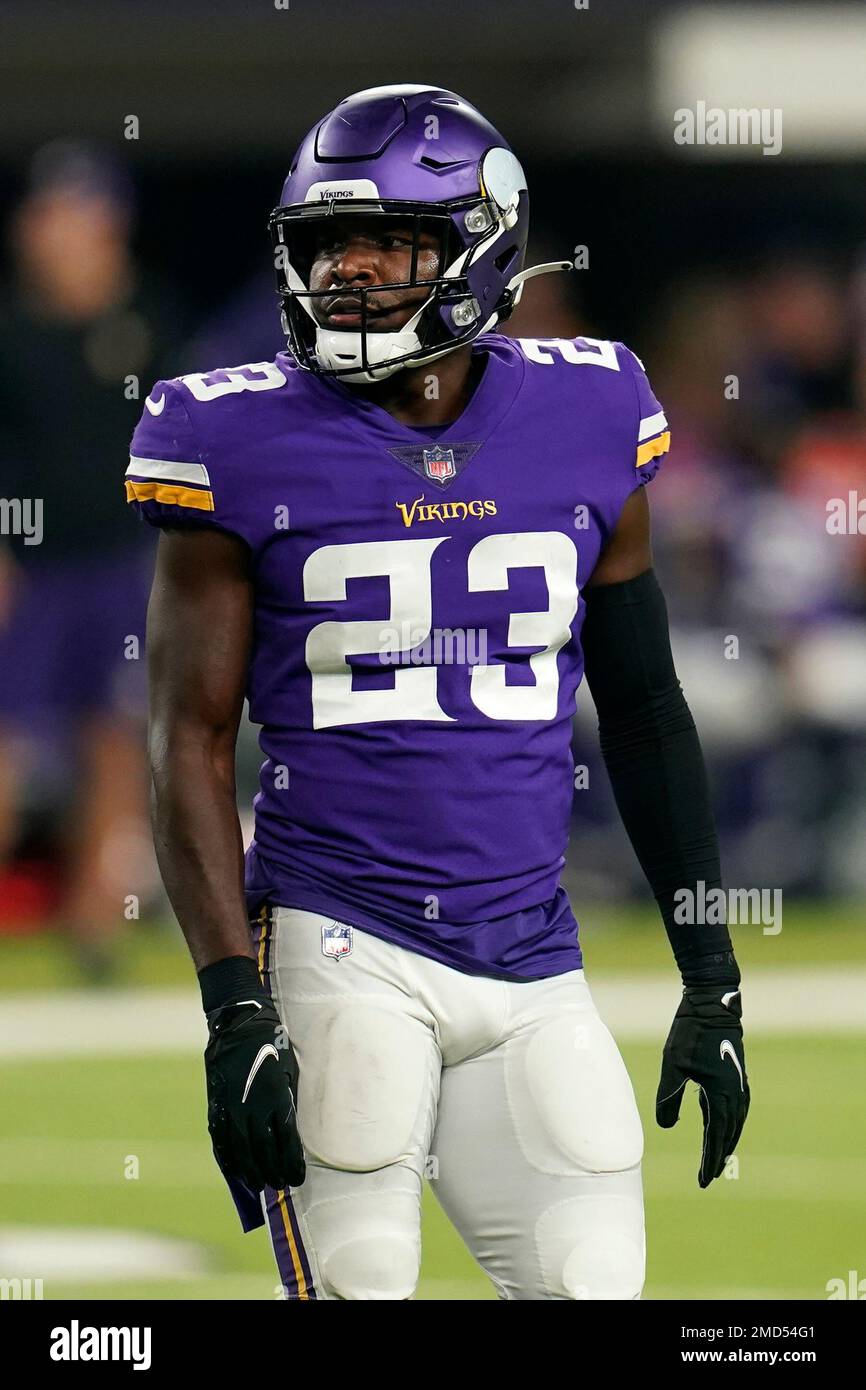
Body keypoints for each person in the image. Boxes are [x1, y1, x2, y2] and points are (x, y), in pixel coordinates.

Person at [129, 85, 749, 1301]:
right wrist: (232, 1006)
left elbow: (642, 708)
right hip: (334, 938)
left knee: (594, 1287)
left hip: (532, 954)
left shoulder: (590, 405)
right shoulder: (229, 434)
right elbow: (187, 738)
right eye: (326, 246)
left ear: (483, 243)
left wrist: (710, 972)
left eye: (389, 244)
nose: (348, 274)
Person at [0, 141, 183, 974]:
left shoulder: (151, 317)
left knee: (115, 743)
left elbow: (185, 444)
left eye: (73, 213)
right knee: (9, 742)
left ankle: (94, 924)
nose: (55, 231)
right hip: (30, 571)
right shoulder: (11, 330)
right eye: (46, 215)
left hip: (125, 566)